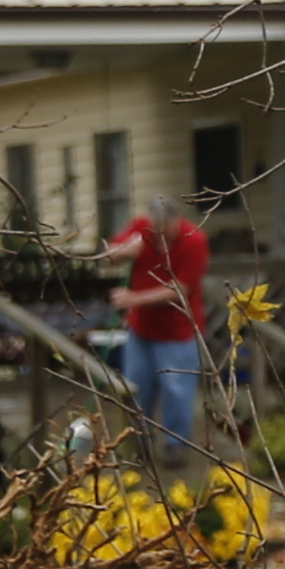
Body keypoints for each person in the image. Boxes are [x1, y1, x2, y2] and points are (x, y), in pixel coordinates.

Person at [101, 194, 210, 463]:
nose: (160, 238)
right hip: (141, 329)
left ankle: (177, 445)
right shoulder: (141, 229)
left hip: (178, 330)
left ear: (176, 222)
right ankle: (139, 440)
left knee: (177, 390)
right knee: (137, 386)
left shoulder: (194, 240)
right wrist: (122, 252)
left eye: (165, 232)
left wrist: (133, 299)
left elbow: (180, 290)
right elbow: (107, 255)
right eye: (155, 231)